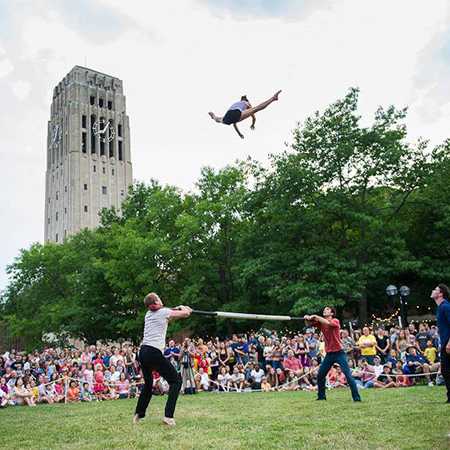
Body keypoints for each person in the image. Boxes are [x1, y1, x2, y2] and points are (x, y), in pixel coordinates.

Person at [133, 293, 192, 426]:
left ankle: (138, 414)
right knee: (176, 381)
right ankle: (168, 416)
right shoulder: (163, 311)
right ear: (157, 302)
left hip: (143, 351)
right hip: (154, 352)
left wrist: (176, 310)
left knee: (148, 384)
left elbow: (167, 318)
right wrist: (183, 307)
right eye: (159, 298)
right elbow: (186, 314)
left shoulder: (149, 314)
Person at [304, 307, 361, 402]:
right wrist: (307, 319)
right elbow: (309, 324)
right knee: (320, 375)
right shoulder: (321, 322)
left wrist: (314, 316)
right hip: (329, 354)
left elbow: (328, 323)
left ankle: (356, 398)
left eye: (327, 309)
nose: (324, 310)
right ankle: (321, 396)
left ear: (332, 313)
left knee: (348, 375)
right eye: (324, 310)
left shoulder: (335, 321)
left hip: (339, 353)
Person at [208, 91, 282, 139]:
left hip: (228, 115)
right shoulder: (247, 103)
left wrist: (239, 134)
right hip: (237, 113)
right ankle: (273, 98)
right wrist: (253, 124)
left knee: (218, 119)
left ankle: (213, 116)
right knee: (256, 108)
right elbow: (254, 117)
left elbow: (234, 125)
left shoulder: (237, 103)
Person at [431, 284, 450, 402]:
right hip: (444, 343)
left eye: (436, 290)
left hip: (448, 343)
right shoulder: (440, 307)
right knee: (446, 370)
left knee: (447, 370)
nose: (433, 291)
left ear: (441, 294)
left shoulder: (445, 306)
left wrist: (449, 343)